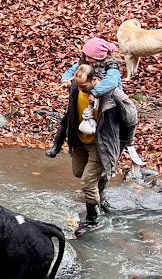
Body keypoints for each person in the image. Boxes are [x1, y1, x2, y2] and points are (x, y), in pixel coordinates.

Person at [54, 62, 140, 227]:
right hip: (80, 140)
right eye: (78, 85)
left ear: (94, 80)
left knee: (87, 183)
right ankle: (101, 178)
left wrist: (127, 141)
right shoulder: (76, 89)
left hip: (101, 145)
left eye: (84, 86)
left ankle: (92, 220)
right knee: (78, 172)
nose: (80, 89)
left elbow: (131, 119)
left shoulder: (113, 95)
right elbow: (71, 112)